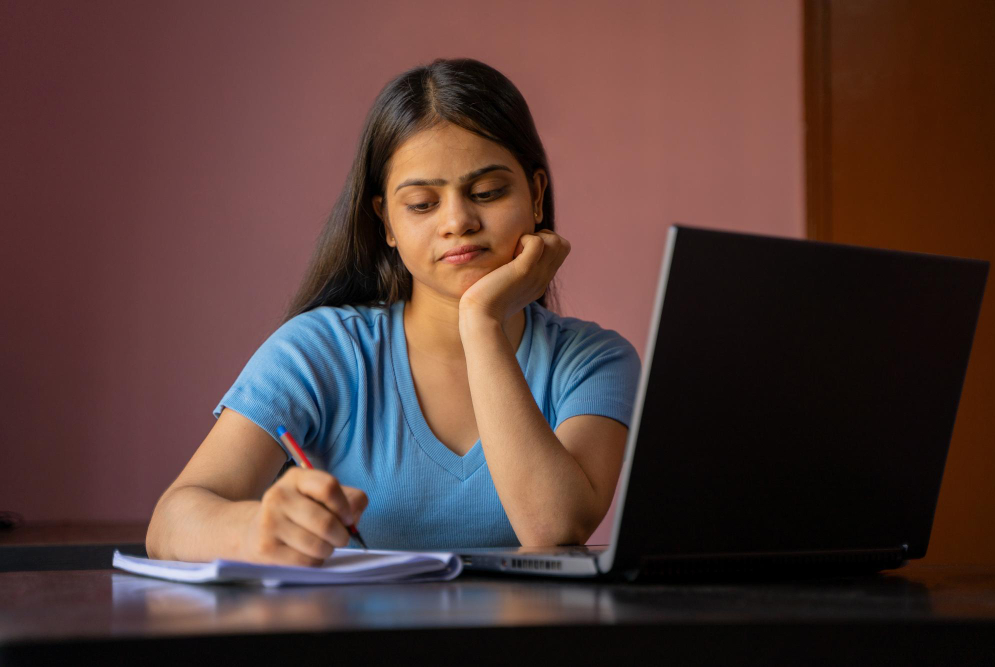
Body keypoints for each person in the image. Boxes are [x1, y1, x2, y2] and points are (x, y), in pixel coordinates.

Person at [145, 58, 641, 566]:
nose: (458, 221)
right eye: (423, 204)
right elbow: (171, 523)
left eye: (487, 193)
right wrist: (252, 530)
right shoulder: (322, 350)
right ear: (386, 223)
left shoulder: (594, 361)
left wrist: (482, 322)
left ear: (536, 195)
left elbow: (553, 527)